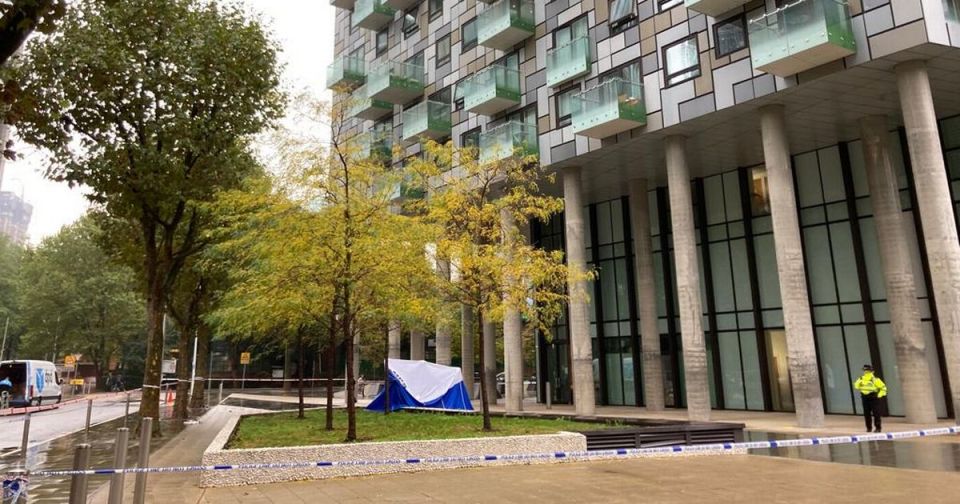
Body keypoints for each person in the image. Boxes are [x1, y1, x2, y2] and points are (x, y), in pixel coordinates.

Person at [853, 364, 887, 433]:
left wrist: (879, 395)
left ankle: (877, 428)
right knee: (867, 414)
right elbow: (856, 386)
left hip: (873, 397)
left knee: (876, 413)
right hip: (865, 397)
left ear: (871, 371)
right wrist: (860, 384)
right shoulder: (861, 379)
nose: (866, 372)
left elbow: (883, 388)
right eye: (865, 371)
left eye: (867, 371)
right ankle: (869, 428)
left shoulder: (875, 379)